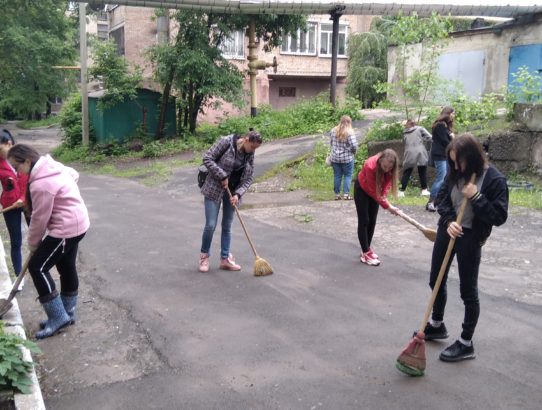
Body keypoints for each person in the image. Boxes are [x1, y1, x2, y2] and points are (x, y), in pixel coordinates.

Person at [423, 134, 508, 362]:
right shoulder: (455, 172)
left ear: (471, 158)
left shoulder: (494, 180)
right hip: (448, 230)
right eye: (452, 162)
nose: (456, 167)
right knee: (435, 280)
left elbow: (499, 216)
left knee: (468, 292)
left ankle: (466, 342)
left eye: (459, 162)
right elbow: (442, 199)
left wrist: (477, 196)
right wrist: (450, 221)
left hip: (471, 237)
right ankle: (437, 324)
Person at [8, 144, 90, 339]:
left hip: (66, 229)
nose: (16, 171)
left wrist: (33, 243)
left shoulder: (41, 184)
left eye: (17, 166)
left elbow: (39, 218)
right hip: (79, 223)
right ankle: (67, 313)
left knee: (38, 267)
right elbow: (74, 174)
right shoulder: (53, 166)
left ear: (27, 161)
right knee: (67, 266)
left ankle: (58, 316)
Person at [199, 130, 262, 272]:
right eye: (252, 147)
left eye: (256, 148)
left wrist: (238, 194)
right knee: (210, 225)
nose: (253, 151)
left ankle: (225, 259)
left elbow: (249, 178)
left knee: (227, 225)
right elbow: (207, 158)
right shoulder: (226, 142)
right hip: (214, 188)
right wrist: (222, 175)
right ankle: (204, 257)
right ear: (246, 140)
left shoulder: (250, 154)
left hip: (232, 192)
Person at [354, 149, 400, 266]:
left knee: (372, 221)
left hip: (375, 191)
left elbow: (385, 186)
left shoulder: (391, 169)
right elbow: (372, 190)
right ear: (380, 161)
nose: (386, 169)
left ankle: (366, 249)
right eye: (384, 166)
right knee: (364, 220)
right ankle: (365, 253)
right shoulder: (370, 166)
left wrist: (384, 198)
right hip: (362, 189)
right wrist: (388, 206)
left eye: (389, 168)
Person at [0, 130, 28, 290]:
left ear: (8, 143)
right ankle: (19, 276)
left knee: (37, 238)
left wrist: (23, 199)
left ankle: (39, 269)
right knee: (16, 241)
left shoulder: (25, 157)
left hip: (28, 202)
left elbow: (31, 179)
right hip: (10, 206)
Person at [427, 106, 455, 212]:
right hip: (440, 155)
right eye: (453, 113)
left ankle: (438, 201)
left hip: (444, 155)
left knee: (445, 178)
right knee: (441, 178)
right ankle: (431, 202)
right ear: (448, 113)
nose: (454, 115)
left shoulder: (444, 126)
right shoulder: (440, 125)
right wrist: (452, 138)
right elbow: (445, 141)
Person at [398, 119, 432, 198]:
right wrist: (424, 144)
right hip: (420, 151)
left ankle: (401, 191)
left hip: (409, 152)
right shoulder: (420, 129)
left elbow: (404, 142)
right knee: (422, 170)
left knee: (407, 171)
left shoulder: (405, 132)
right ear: (415, 124)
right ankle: (424, 190)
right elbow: (430, 137)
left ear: (407, 124)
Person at [329, 115, 358, 200]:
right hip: (347, 158)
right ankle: (346, 195)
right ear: (349, 122)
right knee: (348, 175)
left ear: (340, 121)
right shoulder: (350, 132)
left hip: (335, 158)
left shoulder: (333, 130)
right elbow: (354, 146)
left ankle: (337, 195)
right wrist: (353, 152)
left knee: (337, 175)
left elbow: (331, 143)